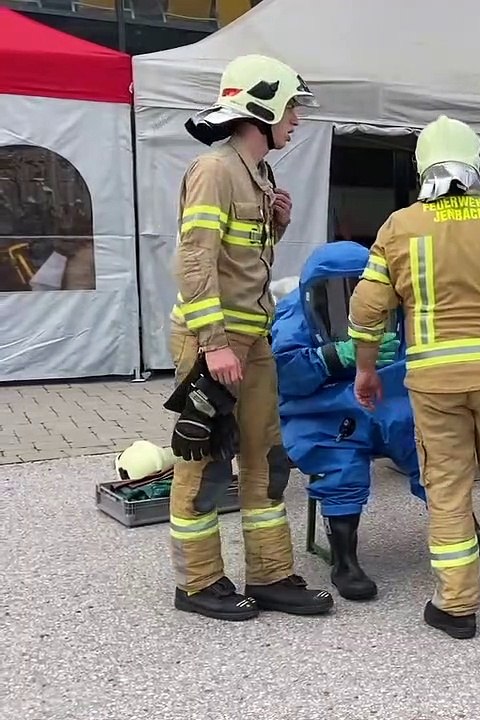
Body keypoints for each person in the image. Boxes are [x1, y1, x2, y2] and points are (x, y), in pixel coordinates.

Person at [348, 115, 480, 640]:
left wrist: (365, 369)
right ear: (479, 163)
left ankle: (457, 605)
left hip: (434, 383)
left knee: (447, 492)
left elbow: (367, 307)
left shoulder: (400, 226)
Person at [165, 54, 332, 621]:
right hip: (215, 338)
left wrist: (276, 224)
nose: (297, 120)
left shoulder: (259, 174)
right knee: (205, 460)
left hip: (253, 336)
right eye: (291, 108)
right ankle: (198, 582)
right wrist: (212, 343)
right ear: (262, 109)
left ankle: (268, 575)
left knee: (268, 456)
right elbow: (195, 260)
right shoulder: (214, 170)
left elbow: (241, 261)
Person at [270, 242, 480, 602]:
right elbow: (282, 372)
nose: (346, 302)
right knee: (341, 466)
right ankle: (344, 561)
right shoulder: (295, 311)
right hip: (325, 410)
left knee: (434, 451)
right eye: (334, 294)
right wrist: (331, 357)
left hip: (392, 399)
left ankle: (467, 534)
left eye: (355, 289)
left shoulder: (400, 303)